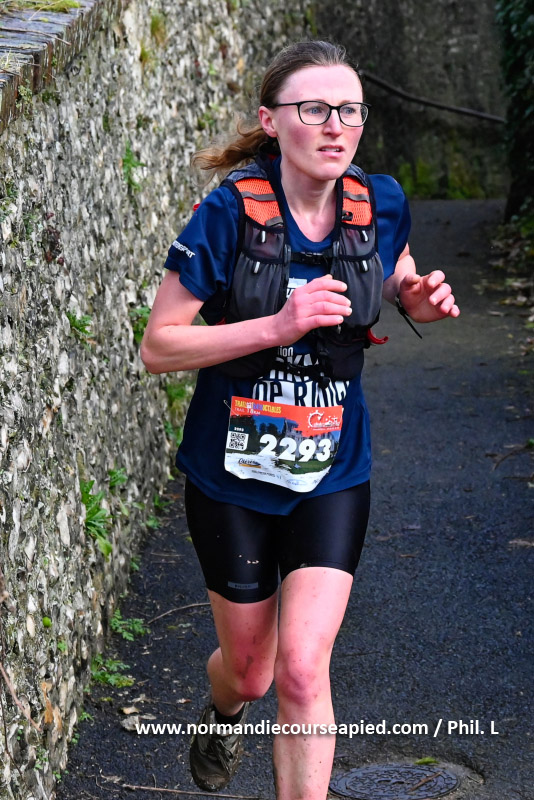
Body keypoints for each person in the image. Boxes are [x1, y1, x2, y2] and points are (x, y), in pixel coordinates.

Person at [140, 40, 459, 800]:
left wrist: (414, 296)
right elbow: (160, 345)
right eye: (313, 109)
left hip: (332, 470)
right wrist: (276, 327)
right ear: (271, 121)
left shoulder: (380, 201)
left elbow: (395, 269)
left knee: (304, 669)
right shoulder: (228, 214)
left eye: (349, 110)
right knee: (250, 672)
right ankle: (223, 711)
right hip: (232, 476)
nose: (335, 125)